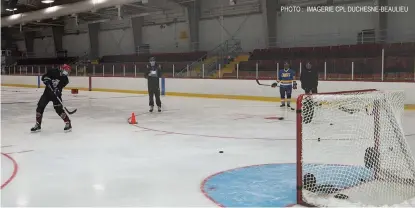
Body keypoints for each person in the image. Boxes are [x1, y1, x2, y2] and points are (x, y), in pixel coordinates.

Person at [31, 64, 72, 132]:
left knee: (59, 110)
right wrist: (46, 79)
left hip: (56, 96)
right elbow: (44, 77)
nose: (67, 72)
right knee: (40, 107)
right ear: (62, 69)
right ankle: (38, 125)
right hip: (47, 94)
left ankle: (68, 123)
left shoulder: (65, 79)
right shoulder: (53, 71)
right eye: (66, 70)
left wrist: (57, 90)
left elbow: (60, 86)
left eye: (68, 71)